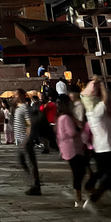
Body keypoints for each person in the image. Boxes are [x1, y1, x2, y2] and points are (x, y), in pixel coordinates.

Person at [81, 78, 111, 212]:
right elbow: (105, 98)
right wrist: (103, 87)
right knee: (108, 175)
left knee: (105, 172)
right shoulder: (96, 112)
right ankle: (93, 192)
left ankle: (92, 185)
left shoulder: (93, 113)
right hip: (106, 148)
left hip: (101, 148)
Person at [55, 95, 86, 208]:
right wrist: (79, 128)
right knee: (79, 172)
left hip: (69, 148)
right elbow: (71, 132)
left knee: (79, 172)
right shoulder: (66, 118)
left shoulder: (61, 117)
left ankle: (79, 196)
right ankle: (78, 198)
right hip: (72, 148)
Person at [14, 89, 41, 195]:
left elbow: (29, 123)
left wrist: (27, 137)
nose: (14, 97)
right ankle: (34, 182)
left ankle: (36, 185)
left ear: (20, 96)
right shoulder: (18, 108)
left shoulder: (25, 107)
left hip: (25, 139)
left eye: (16, 95)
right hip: (20, 140)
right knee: (23, 161)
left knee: (30, 162)